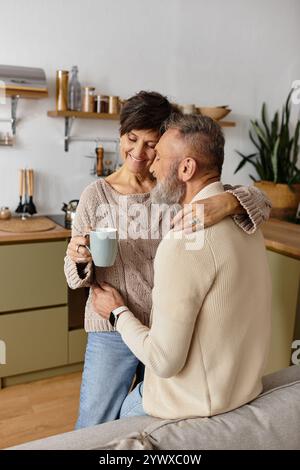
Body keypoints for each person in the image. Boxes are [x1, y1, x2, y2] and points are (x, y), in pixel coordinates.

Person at [64, 91, 271, 429]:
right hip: (111, 328)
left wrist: (229, 201)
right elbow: (75, 278)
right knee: (94, 422)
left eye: (151, 145)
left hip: (167, 329)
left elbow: (260, 203)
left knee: (151, 427)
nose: (140, 153)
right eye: (132, 139)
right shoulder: (95, 195)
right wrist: (78, 258)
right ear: (120, 135)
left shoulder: (172, 188)